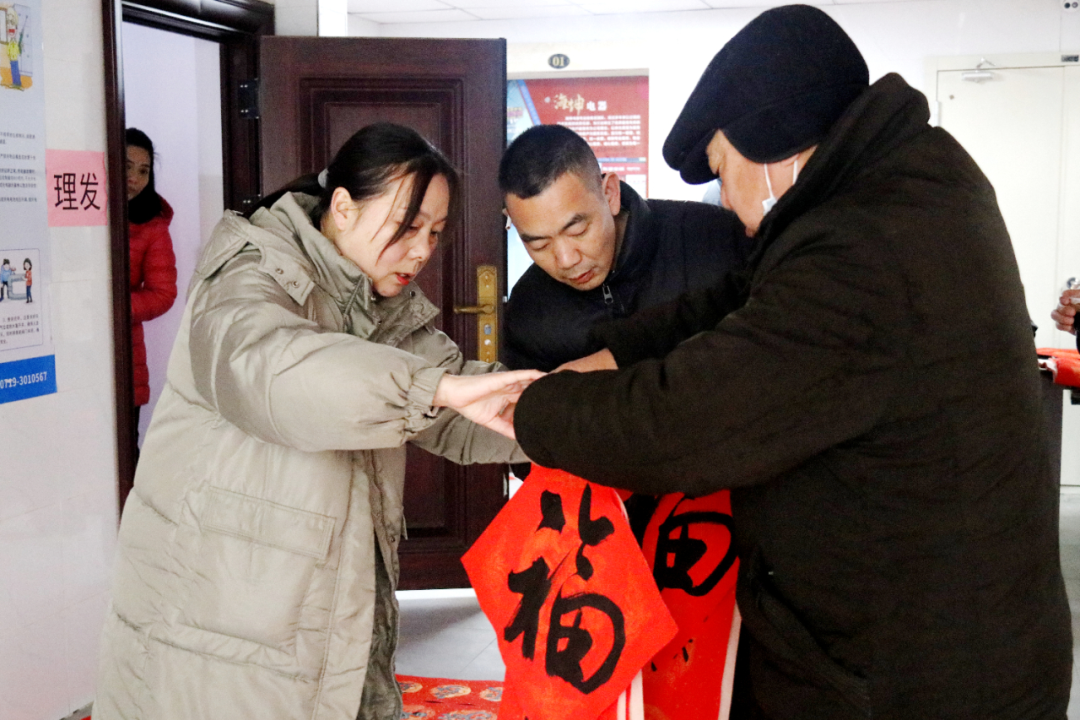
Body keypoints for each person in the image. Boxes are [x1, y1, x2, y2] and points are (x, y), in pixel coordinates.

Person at [505, 5, 1072, 718]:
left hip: (916, 672)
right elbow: (728, 300)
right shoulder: (907, 187)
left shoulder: (862, 254)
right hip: (929, 632)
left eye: (721, 169)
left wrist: (533, 409)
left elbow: (688, 421)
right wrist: (610, 356)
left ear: (770, 148)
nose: (724, 197)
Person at [95, 123, 542, 720]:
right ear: (344, 207)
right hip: (218, 620)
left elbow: (461, 408)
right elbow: (273, 372)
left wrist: (565, 421)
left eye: (434, 233)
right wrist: (433, 387)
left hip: (311, 615)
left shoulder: (380, 305)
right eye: (407, 226)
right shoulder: (250, 274)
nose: (421, 251)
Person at [501, 124, 750, 372]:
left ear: (610, 194)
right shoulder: (529, 312)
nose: (566, 260)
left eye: (578, 231)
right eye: (540, 245)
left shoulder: (719, 241)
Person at [125, 128, 178, 455]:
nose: (134, 178)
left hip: (125, 353)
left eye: (143, 171)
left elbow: (163, 293)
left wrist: (115, 307)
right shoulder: (80, 213)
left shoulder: (153, 226)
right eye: (127, 166)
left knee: (122, 452)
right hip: (73, 345)